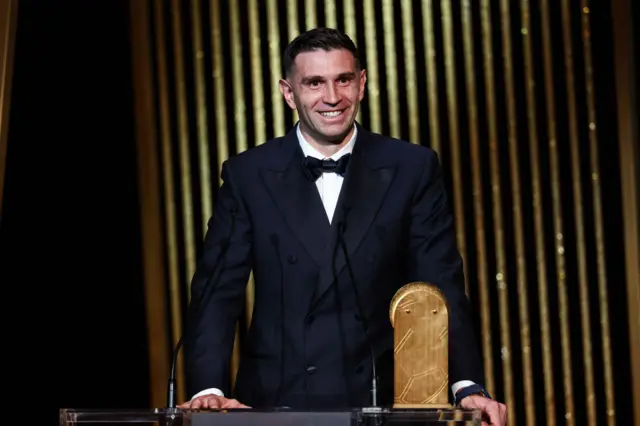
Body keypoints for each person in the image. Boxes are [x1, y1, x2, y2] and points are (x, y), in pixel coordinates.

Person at [179, 27, 507, 425]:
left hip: (380, 403)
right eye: (314, 83)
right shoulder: (249, 174)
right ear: (288, 93)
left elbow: (440, 283)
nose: (332, 98)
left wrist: (466, 384)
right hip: (276, 403)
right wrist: (208, 390)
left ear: (362, 83)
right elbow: (217, 291)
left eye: (343, 80)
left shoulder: (411, 167)